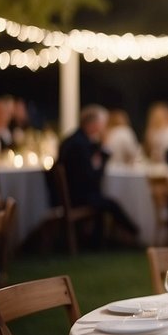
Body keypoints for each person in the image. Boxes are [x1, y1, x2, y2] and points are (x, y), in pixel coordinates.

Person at [58, 105, 139, 246]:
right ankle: (135, 234)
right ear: (94, 124)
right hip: (78, 196)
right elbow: (92, 177)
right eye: (103, 124)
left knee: (106, 200)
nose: (104, 128)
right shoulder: (80, 145)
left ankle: (107, 238)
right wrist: (104, 155)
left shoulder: (74, 140)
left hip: (70, 193)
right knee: (110, 203)